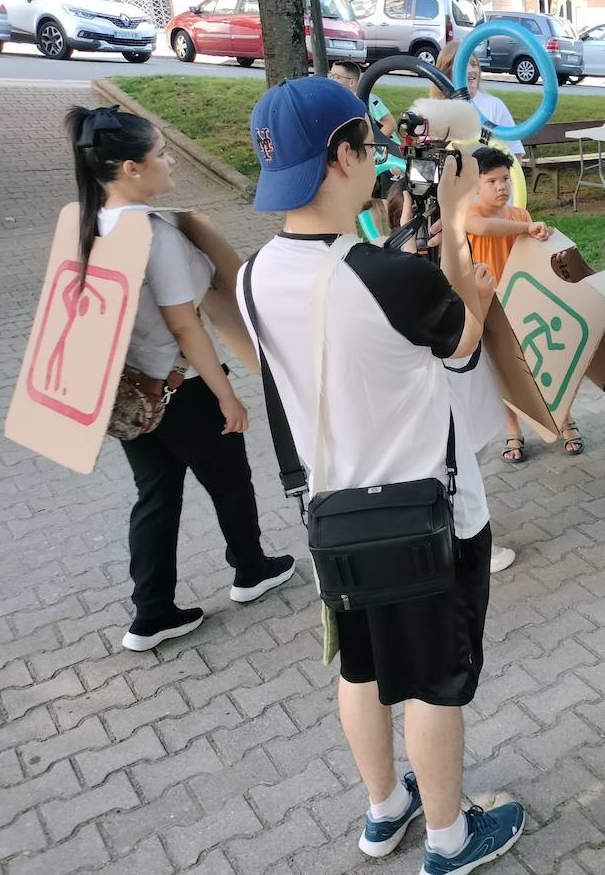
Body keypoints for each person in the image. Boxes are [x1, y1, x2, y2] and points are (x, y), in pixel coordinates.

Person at [237, 77, 524, 872]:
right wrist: (461, 230)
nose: (381, 159)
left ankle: (383, 808)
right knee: (434, 682)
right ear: (343, 156)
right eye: (369, 145)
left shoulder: (253, 278)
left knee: (360, 667)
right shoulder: (391, 278)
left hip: (336, 522)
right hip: (427, 516)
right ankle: (448, 839)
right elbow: (463, 340)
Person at [64, 105, 295, 652]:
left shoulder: (89, 223)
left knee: (156, 496)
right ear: (129, 168)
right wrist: (228, 396)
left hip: (131, 394)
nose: (171, 162)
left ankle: (152, 613)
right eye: (161, 154)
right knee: (230, 480)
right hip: (179, 385)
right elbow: (185, 325)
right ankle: (251, 569)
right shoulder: (154, 234)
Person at [465, 145, 553, 468]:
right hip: (490, 306)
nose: (502, 186)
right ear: (476, 186)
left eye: (506, 179)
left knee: (540, 363)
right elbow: (485, 229)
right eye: (492, 181)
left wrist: (539, 234)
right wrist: (526, 228)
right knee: (502, 370)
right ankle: (513, 430)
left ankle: (562, 419)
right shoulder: (470, 214)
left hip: (523, 303)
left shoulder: (520, 215)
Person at [433, 40, 526, 161]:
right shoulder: (432, 110)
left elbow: (515, 153)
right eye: (463, 65)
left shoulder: (494, 105)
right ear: (446, 72)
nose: (472, 70)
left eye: (474, 64)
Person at [330, 61, 396, 140]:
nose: (331, 80)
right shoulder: (339, 102)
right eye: (331, 76)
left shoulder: (367, 99)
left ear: (351, 83)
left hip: (382, 149)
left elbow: (390, 125)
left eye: (336, 77)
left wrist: (369, 145)